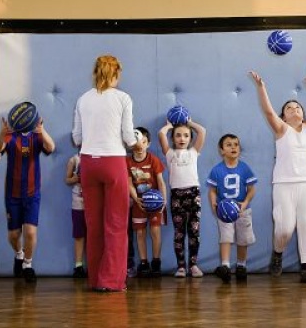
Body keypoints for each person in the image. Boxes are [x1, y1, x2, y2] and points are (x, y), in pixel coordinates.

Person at [249, 68, 306, 284]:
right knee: (284, 228)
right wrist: (262, 87)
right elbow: (268, 112)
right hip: (283, 185)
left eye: (297, 107)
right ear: (284, 116)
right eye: (289, 108)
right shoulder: (282, 129)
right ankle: (278, 253)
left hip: (305, 185)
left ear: (303, 113)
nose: (294, 109)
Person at [72, 54, 140, 292]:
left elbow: (77, 138)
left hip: (88, 164)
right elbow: (130, 138)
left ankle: (94, 280)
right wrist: (138, 145)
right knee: (116, 224)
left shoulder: (83, 99)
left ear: (95, 73)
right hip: (113, 163)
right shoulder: (123, 98)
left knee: (94, 224)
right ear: (116, 74)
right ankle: (111, 281)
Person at [0, 115, 56, 283]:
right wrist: (1, 132)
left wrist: (43, 131)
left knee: (30, 231)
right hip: (12, 194)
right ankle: (19, 254)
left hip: (32, 193)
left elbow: (51, 147)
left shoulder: (37, 136)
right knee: (14, 234)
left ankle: (28, 265)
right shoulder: (11, 136)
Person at [158, 118, 206, 278]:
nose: (182, 139)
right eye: (178, 135)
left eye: (186, 135)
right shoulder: (169, 154)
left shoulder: (193, 153)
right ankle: (181, 267)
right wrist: (169, 126)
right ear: (173, 138)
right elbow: (161, 133)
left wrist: (190, 123)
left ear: (190, 139)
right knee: (179, 233)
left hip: (193, 195)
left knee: (194, 232)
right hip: (177, 196)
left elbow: (202, 131)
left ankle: (193, 265)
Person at [207, 133, 257, 283]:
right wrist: (214, 205)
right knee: (226, 238)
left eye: (236, 144)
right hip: (225, 211)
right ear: (221, 150)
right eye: (229, 145)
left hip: (242, 210)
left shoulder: (244, 168)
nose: (233, 147)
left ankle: (241, 266)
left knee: (243, 239)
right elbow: (212, 191)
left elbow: (251, 189)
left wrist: (245, 202)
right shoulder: (217, 170)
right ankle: (225, 266)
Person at [127, 127, 167, 278]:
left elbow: (161, 182)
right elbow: (128, 183)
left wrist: (163, 201)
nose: (140, 145)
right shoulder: (128, 161)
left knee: (155, 231)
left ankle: (156, 262)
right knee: (140, 233)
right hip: (139, 203)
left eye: (143, 142)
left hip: (155, 203)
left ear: (148, 144)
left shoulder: (153, 160)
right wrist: (136, 198)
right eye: (137, 142)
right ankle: (144, 263)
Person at [65, 151, 87, 278]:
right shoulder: (74, 159)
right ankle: (78, 266)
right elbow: (67, 179)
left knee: (94, 235)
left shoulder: (97, 156)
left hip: (93, 203)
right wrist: (75, 179)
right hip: (78, 203)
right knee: (79, 235)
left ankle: (94, 265)